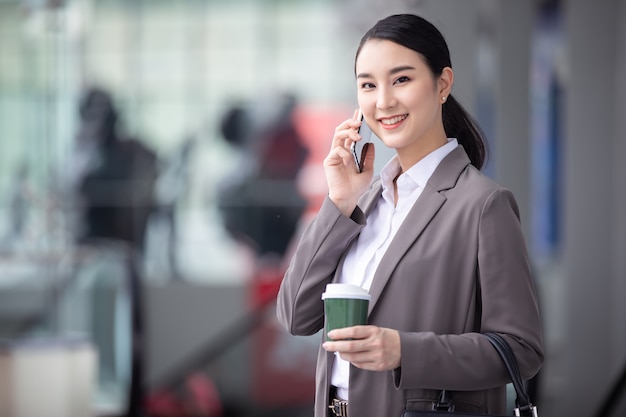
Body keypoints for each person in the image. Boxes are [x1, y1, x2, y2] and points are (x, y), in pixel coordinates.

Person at [276, 13, 543, 417]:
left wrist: (405, 350)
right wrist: (340, 203)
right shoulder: (364, 203)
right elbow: (296, 314)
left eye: (401, 79)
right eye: (368, 85)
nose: (383, 101)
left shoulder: (483, 205)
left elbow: (522, 350)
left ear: (442, 84)